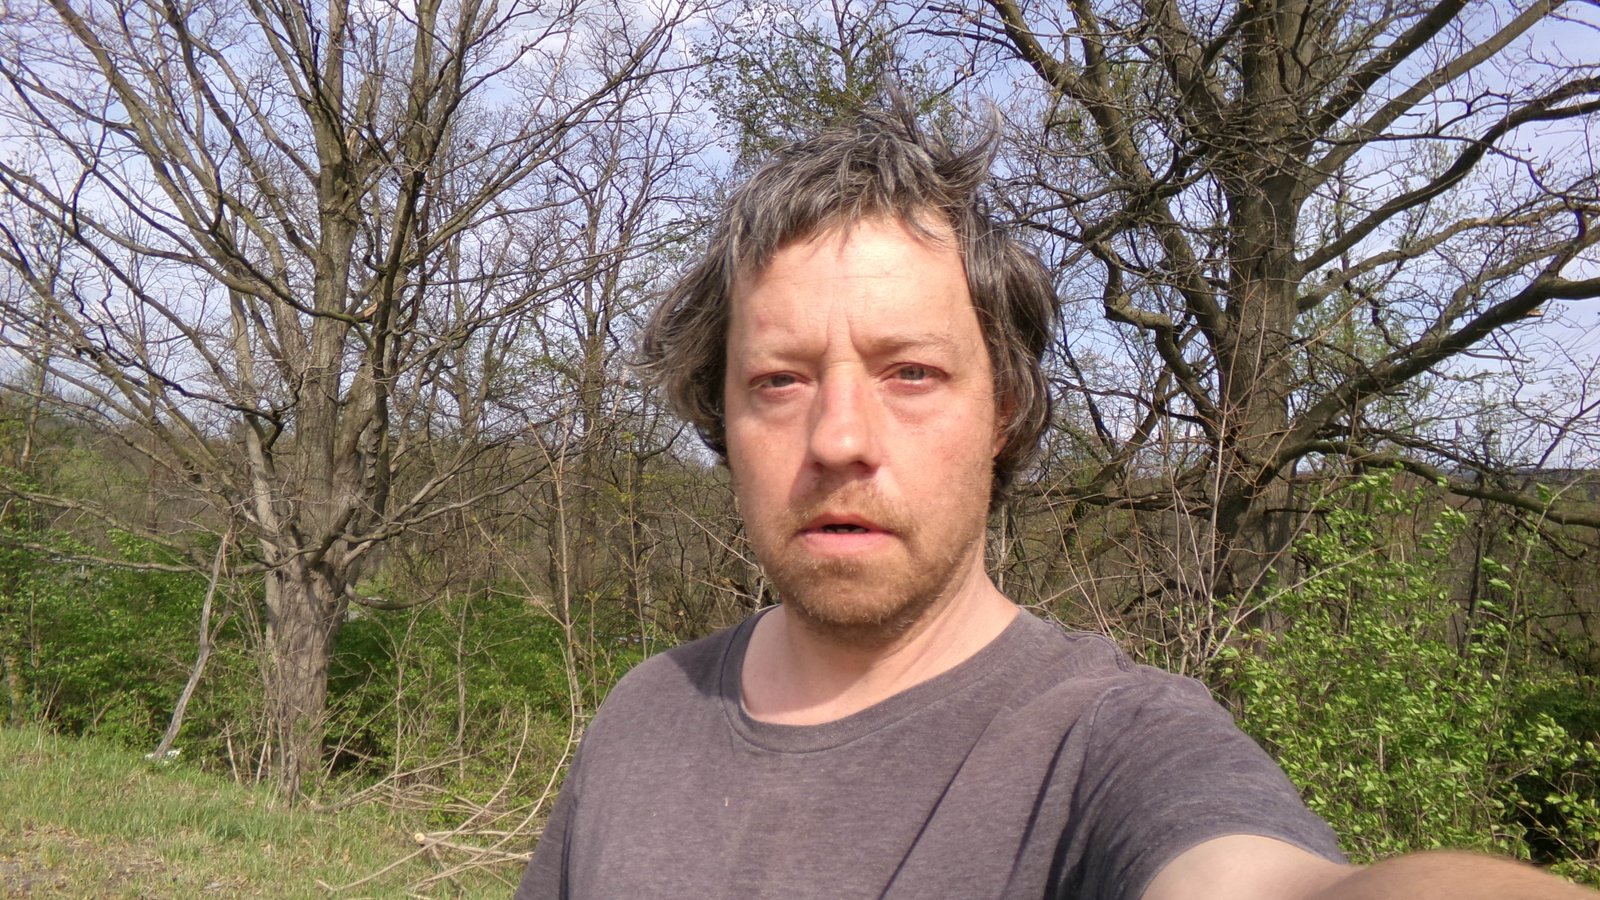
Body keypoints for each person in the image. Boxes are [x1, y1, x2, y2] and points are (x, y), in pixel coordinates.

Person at [515, 105, 1596, 899]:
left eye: (911, 373)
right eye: (780, 380)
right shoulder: (643, 716)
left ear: (1005, 411)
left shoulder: (1109, 746)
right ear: (722, 416)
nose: (840, 439)